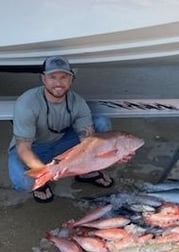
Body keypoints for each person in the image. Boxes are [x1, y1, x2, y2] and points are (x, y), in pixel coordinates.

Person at [8, 56, 123, 203]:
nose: (58, 83)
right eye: (52, 77)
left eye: (64, 77)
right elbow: (23, 148)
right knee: (22, 183)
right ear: (43, 79)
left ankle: (86, 173)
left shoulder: (78, 102)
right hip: (34, 148)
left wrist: (115, 155)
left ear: (71, 79)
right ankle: (42, 182)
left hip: (62, 144)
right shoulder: (27, 103)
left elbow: (88, 144)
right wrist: (46, 172)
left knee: (100, 122)